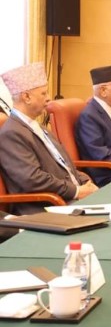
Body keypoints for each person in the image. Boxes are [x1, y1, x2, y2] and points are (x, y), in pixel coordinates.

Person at [0, 62, 98, 215]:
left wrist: (84, 181)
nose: (48, 98)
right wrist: (76, 191)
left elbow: (63, 164)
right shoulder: (12, 133)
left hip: (67, 200)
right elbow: (32, 179)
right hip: (45, 208)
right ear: (26, 97)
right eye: (43, 94)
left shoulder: (39, 126)